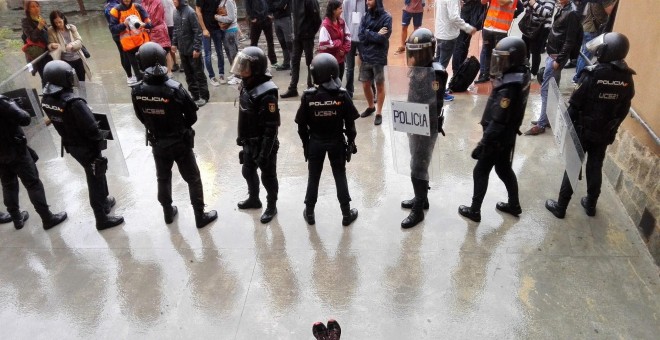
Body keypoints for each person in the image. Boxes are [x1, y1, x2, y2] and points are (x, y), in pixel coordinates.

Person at [545, 32, 634, 219]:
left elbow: (576, 103)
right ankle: (591, 204)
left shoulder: (592, 73)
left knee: (573, 165)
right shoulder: (627, 78)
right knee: (595, 166)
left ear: (608, 51)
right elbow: (624, 109)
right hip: (603, 132)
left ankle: (561, 207)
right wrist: (612, 127)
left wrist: (566, 127)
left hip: (582, 130)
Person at [132, 42, 218, 228]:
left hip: (158, 142)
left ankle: (167, 213)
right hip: (179, 141)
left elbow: (141, 116)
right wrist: (180, 127)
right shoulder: (174, 88)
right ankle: (199, 216)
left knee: (163, 178)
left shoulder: (137, 90)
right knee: (193, 178)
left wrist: (156, 126)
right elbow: (192, 115)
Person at [40, 60, 124, 230]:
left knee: (97, 174)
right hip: (87, 147)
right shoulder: (74, 102)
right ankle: (101, 218)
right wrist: (104, 135)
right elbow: (92, 129)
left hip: (72, 145)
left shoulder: (47, 99)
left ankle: (105, 201)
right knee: (95, 178)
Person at [458, 37, 530, 222]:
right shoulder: (521, 74)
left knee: (480, 171)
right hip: (507, 135)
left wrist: (484, 142)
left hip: (497, 137)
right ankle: (514, 204)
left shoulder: (509, 86)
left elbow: (498, 120)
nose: (499, 63)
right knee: (503, 169)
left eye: (504, 59)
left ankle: (474, 210)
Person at [295, 53, 359, 226]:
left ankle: (309, 213)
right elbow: (351, 125)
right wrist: (351, 142)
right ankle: (346, 214)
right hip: (336, 142)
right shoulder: (342, 95)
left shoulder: (308, 97)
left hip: (315, 142)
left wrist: (306, 145)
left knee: (313, 177)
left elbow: (301, 126)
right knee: (340, 176)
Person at [399, 28, 447, 229]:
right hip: (414, 122)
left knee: (418, 167)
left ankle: (418, 210)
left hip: (426, 126)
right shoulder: (418, 68)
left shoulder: (435, 71)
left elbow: (432, 102)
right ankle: (422, 198)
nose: (415, 56)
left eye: (419, 52)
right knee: (417, 162)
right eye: (413, 52)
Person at [0, 95, 67, 230]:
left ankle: (16, 218)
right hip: (16, 150)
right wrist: (16, 106)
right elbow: (25, 119)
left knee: (8, 185)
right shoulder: (3, 102)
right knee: (33, 184)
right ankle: (47, 218)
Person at [233, 47, 281, 224]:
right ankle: (254, 198)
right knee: (247, 170)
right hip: (249, 140)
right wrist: (242, 138)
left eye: (245, 66)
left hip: (263, 143)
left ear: (257, 68)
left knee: (268, 176)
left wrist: (264, 153)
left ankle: (271, 206)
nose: (241, 69)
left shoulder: (267, 93)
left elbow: (271, 127)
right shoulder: (247, 83)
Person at [524, 0, 579, 135]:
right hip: (554, 54)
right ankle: (546, 119)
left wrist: (559, 59)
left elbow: (570, 40)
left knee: (546, 90)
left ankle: (542, 124)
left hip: (556, 57)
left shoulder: (571, 12)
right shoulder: (564, 8)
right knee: (551, 89)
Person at [357, 0, 392, 126]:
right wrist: (373, 33)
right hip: (365, 56)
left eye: (370, 0)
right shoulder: (365, 16)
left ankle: (379, 112)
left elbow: (383, 38)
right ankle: (371, 106)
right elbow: (360, 35)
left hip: (378, 58)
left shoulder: (387, 18)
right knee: (366, 85)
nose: (367, 2)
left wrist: (368, 32)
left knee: (379, 86)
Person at [434, 0, 476, 101]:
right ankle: (439, 93)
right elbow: (454, 17)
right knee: (441, 68)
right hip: (447, 36)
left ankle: (435, 90)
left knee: (437, 64)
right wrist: (468, 28)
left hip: (440, 33)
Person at [280, 0, 323, 98]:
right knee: (295, 61)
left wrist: (310, 33)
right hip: (297, 36)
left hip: (307, 35)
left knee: (309, 61)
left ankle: (310, 85)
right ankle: (293, 88)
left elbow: (317, 19)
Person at [172, 0, 209, 107]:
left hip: (193, 51)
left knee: (198, 74)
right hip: (182, 50)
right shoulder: (175, 13)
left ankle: (204, 96)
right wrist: (174, 43)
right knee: (188, 75)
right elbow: (175, 30)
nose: (173, 1)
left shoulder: (190, 12)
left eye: (175, 0)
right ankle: (195, 95)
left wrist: (197, 49)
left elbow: (197, 31)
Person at [474, 0, 519, 84]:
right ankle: (485, 74)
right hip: (488, 26)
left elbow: (503, 2)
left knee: (500, 55)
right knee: (487, 53)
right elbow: (483, 2)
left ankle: (498, 75)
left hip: (501, 29)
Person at [572, 0, 617, 83]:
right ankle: (578, 78)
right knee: (587, 54)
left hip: (587, 27)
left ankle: (577, 77)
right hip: (592, 29)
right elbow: (611, 11)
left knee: (584, 53)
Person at [109, 0, 153, 83]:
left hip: (142, 44)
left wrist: (144, 24)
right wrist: (123, 24)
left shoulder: (138, 7)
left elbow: (150, 24)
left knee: (147, 69)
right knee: (138, 74)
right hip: (129, 47)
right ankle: (132, 78)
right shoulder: (115, 11)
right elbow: (112, 29)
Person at [47, 11, 92, 82]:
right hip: (65, 61)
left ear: (63, 19)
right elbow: (50, 44)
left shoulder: (72, 27)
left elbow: (79, 40)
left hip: (78, 58)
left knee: (82, 81)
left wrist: (72, 45)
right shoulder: (51, 30)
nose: (58, 24)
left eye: (60, 22)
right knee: (71, 82)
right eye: (56, 23)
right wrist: (51, 46)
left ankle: (83, 93)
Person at [21, 0, 53, 86]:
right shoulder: (26, 21)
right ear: (28, 9)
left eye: (37, 6)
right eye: (33, 7)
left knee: (53, 75)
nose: (36, 8)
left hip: (48, 52)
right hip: (39, 54)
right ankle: (47, 98)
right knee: (45, 78)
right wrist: (39, 27)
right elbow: (32, 38)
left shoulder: (40, 19)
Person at [319, 0, 352, 81]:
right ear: (334, 10)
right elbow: (323, 44)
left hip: (340, 60)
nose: (342, 10)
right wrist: (339, 43)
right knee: (331, 83)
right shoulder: (325, 25)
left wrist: (344, 50)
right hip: (329, 61)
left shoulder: (341, 22)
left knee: (339, 80)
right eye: (340, 8)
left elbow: (347, 37)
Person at [196, 0, 227, 86]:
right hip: (206, 29)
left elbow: (221, 7)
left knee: (220, 52)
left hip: (217, 27)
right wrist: (204, 29)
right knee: (207, 53)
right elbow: (198, 11)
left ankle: (221, 74)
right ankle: (212, 76)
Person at [520, 0, 555, 76]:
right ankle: (524, 69)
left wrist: (534, 4)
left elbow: (546, 13)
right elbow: (525, 4)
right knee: (524, 49)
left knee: (535, 52)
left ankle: (534, 72)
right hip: (529, 26)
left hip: (540, 29)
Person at [451, 0, 487, 73]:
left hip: (470, 12)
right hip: (468, 12)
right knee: (460, 44)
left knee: (464, 43)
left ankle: (459, 70)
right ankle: (457, 71)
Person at [104, 0, 134, 84]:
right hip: (121, 33)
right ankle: (130, 76)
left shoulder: (107, 5)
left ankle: (129, 76)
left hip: (116, 34)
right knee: (126, 54)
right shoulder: (115, 7)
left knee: (122, 54)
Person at [342, 0, 366, 98]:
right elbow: (343, 20)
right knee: (349, 67)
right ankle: (349, 92)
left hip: (363, 38)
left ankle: (371, 91)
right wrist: (345, 37)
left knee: (367, 65)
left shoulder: (366, 2)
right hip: (350, 38)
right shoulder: (347, 2)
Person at [142, 0, 173, 73]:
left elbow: (157, 18)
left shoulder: (158, 2)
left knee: (165, 50)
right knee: (153, 52)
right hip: (149, 31)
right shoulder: (143, 3)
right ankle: (157, 71)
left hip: (159, 30)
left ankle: (169, 71)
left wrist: (147, 25)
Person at [215, 0, 241, 85]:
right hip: (226, 31)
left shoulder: (228, 2)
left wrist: (217, 17)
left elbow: (231, 18)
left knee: (233, 53)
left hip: (231, 31)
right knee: (229, 54)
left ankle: (238, 77)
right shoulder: (223, 2)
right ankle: (235, 73)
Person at [245, 0, 278, 67]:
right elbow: (247, 5)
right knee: (254, 42)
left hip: (266, 18)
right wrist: (252, 17)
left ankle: (273, 61)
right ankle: (253, 61)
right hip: (256, 19)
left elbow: (271, 2)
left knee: (270, 41)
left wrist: (270, 13)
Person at [270, 0, 293, 71]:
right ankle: (286, 63)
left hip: (285, 18)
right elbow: (269, 5)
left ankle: (294, 65)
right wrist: (278, 7)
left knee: (289, 42)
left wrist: (276, 6)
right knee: (282, 42)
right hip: (276, 19)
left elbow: (282, 4)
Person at [162, 0, 179, 73]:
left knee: (179, 43)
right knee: (169, 45)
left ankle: (182, 64)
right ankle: (175, 63)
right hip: (165, 24)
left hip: (174, 22)